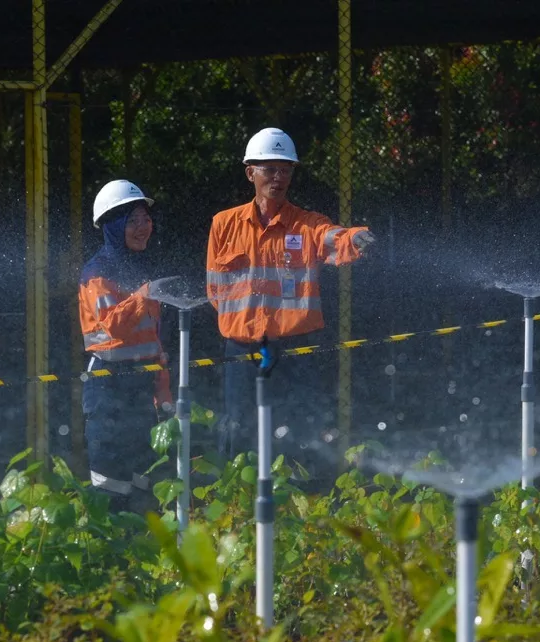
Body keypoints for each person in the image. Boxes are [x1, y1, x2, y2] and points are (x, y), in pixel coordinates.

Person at [207, 128, 377, 460]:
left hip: (295, 348)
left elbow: (331, 237)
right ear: (250, 173)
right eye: (270, 169)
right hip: (241, 347)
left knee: (300, 430)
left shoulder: (305, 224)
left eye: (286, 169)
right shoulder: (223, 225)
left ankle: (303, 504)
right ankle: (239, 502)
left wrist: (355, 238)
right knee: (239, 429)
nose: (279, 177)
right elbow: (215, 289)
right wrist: (246, 326)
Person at [79, 179, 173, 509]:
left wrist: (163, 391)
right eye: (133, 220)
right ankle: (108, 553)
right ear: (113, 225)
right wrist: (144, 295)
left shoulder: (138, 268)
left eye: (146, 219)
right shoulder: (97, 271)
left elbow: (152, 339)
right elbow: (115, 324)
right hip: (108, 385)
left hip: (140, 385)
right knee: (110, 481)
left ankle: (145, 551)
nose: (143, 227)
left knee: (144, 478)